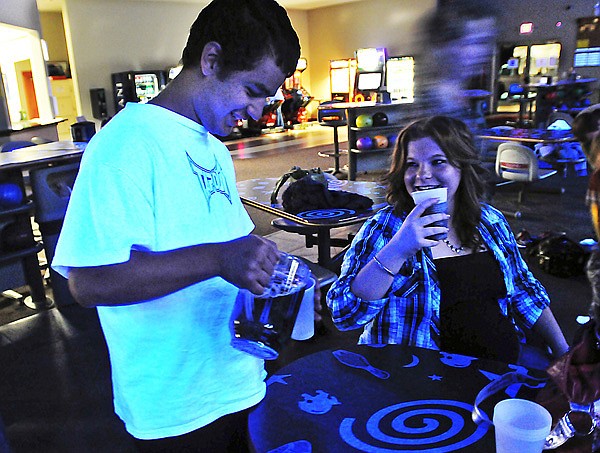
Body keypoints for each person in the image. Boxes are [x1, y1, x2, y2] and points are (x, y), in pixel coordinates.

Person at [51, 0, 300, 451]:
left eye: (268, 96)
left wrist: (268, 274)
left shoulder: (214, 148)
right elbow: (87, 283)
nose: (261, 111)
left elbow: (234, 243)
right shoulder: (125, 145)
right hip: (175, 409)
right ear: (211, 60)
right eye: (252, 89)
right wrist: (218, 259)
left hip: (239, 378)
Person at [326, 116, 569, 369]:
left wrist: (564, 354)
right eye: (411, 165)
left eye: (438, 162)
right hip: (419, 381)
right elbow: (345, 315)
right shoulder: (384, 227)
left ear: (462, 167)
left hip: (499, 371)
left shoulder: (490, 221)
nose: (422, 176)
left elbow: (525, 291)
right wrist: (398, 249)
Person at [412, 0, 498, 131]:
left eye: (488, 41)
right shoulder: (431, 111)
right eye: (477, 42)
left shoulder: (457, 100)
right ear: (444, 46)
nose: (487, 51)